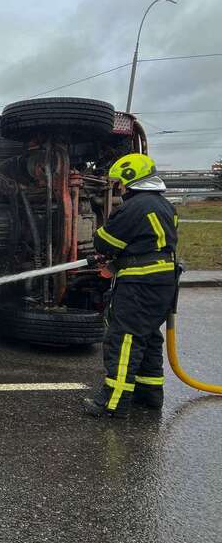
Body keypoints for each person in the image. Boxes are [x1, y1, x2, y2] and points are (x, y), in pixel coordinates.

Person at [84, 153, 179, 418]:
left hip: (140, 282)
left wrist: (107, 248)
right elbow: (148, 244)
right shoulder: (165, 206)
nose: (119, 188)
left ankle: (112, 404)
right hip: (162, 282)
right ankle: (149, 395)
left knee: (124, 339)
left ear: (130, 178)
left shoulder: (135, 207)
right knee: (147, 337)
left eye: (120, 183)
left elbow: (105, 242)